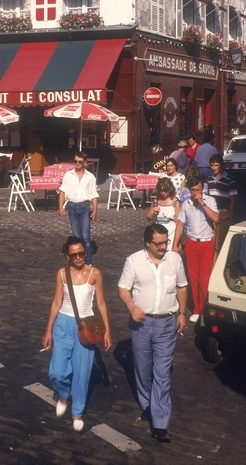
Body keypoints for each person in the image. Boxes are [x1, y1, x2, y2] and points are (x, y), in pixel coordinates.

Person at [118, 224, 188, 443]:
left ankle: (160, 423)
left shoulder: (174, 260)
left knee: (162, 373)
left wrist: (182, 313)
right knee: (143, 369)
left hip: (167, 323)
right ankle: (149, 405)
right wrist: (131, 307)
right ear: (147, 243)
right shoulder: (134, 261)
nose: (163, 247)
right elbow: (123, 288)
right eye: (158, 243)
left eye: (166, 242)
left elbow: (182, 286)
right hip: (141, 324)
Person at [41, 236, 113, 433]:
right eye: (74, 255)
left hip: (85, 326)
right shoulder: (62, 274)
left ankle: (77, 412)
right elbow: (57, 302)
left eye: (81, 253)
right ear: (67, 256)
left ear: (85, 252)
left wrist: (107, 330)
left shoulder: (95, 274)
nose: (79, 257)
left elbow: (101, 303)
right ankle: (64, 394)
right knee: (56, 371)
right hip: (63, 324)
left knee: (82, 371)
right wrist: (48, 330)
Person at [173, 168, 218, 324]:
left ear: (202, 188)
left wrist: (202, 203)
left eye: (198, 190)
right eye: (193, 190)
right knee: (193, 279)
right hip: (191, 243)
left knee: (204, 279)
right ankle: (197, 310)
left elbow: (216, 218)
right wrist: (175, 244)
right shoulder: (186, 204)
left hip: (206, 243)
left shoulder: (210, 201)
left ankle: (204, 311)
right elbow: (180, 224)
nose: (196, 193)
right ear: (189, 190)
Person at [58, 153, 99, 265]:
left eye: (80, 162)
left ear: (85, 163)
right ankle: (77, 260)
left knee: (85, 236)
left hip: (85, 207)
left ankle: (88, 262)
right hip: (72, 206)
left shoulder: (90, 177)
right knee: (76, 236)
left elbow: (94, 194)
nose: (77, 163)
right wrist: (61, 206)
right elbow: (62, 191)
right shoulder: (68, 175)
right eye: (75, 161)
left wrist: (95, 210)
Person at [206, 153, 238, 255]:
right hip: (211, 214)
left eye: (216, 165)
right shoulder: (208, 179)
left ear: (222, 165)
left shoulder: (229, 179)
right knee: (211, 241)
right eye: (212, 165)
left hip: (223, 213)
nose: (214, 168)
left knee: (220, 244)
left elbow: (232, 200)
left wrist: (230, 217)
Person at [146, 177, 182, 250]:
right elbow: (148, 217)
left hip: (171, 233)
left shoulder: (175, 202)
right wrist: (153, 213)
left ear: (170, 190)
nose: (163, 193)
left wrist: (178, 242)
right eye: (161, 191)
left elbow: (179, 223)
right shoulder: (156, 202)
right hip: (158, 233)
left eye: (165, 191)